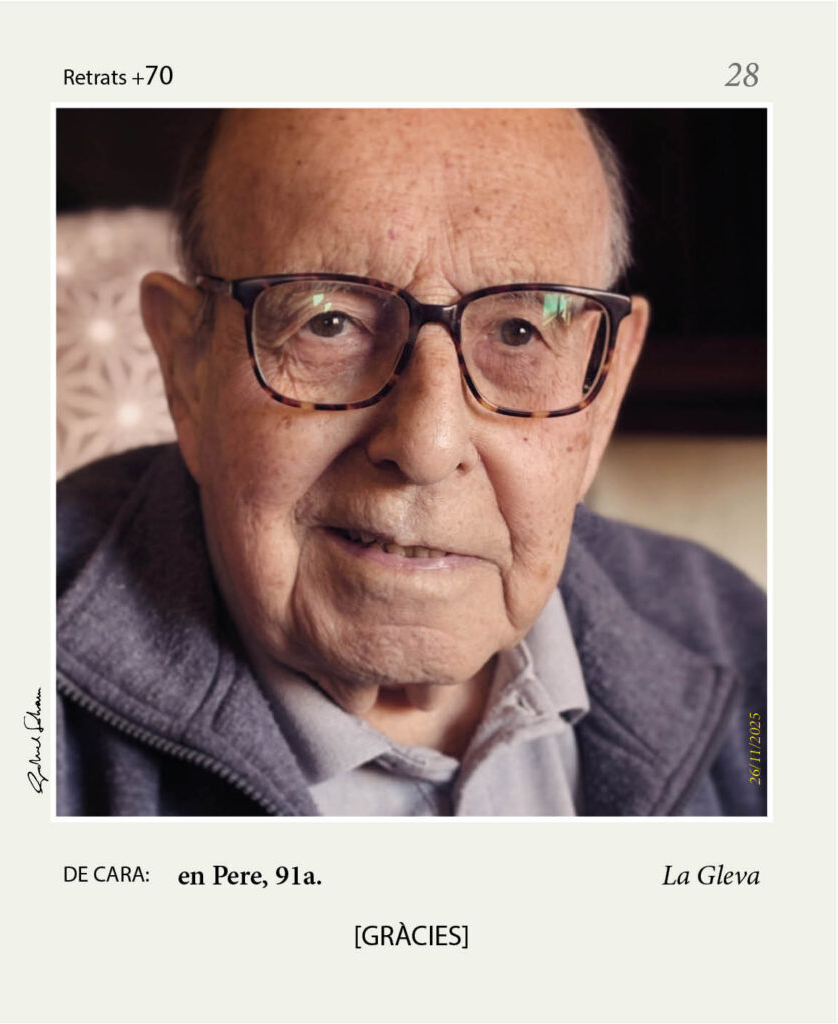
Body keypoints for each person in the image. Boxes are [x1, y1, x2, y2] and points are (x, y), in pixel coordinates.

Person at [56, 109, 766, 816]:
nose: (428, 446)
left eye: (518, 332)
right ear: (187, 368)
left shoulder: (742, 648)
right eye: (328, 321)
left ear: (605, 388)